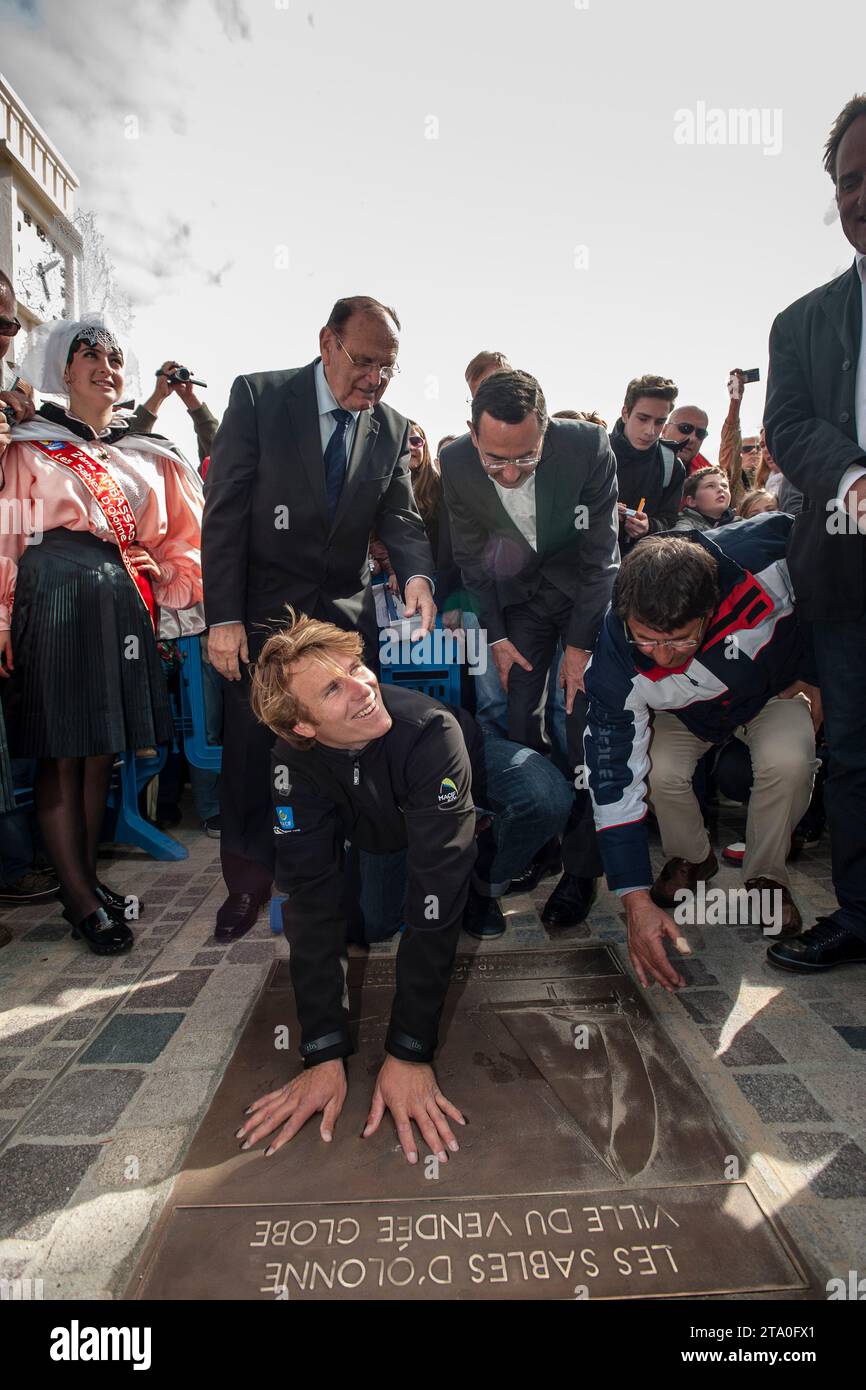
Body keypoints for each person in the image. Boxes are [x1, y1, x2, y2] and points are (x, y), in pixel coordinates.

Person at [236, 611, 572, 1158]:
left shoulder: (429, 730)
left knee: (542, 795)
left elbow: (433, 896)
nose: (364, 689)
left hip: (458, 771)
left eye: (356, 667)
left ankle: (484, 872)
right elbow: (309, 900)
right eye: (333, 688)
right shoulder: (289, 764)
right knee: (368, 924)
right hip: (380, 829)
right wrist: (322, 1052)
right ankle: (448, 849)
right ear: (303, 727)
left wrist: (410, 1051)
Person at [201, 295, 436, 942]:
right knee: (253, 753)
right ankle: (248, 887)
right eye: (364, 362)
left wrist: (416, 575)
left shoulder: (390, 426)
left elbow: (401, 517)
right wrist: (222, 616)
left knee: (347, 750)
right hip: (261, 615)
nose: (376, 379)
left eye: (389, 367)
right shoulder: (259, 396)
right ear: (327, 342)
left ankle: (331, 878)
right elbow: (223, 511)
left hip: (342, 620)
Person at [0, 316, 204, 955]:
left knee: (98, 752)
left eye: (114, 359)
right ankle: (82, 898)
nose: (105, 368)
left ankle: (79, 881)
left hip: (117, 598)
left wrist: (160, 570)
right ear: (63, 371)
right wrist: (2, 618)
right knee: (63, 752)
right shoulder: (30, 446)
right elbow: (8, 534)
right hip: (51, 592)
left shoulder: (141, 450)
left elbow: (180, 537)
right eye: (90, 356)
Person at [584, 516, 822, 988]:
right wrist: (633, 895)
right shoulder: (612, 656)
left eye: (681, 639)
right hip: (686, 714)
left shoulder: (770, 552)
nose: (664, 656)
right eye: (647, 639)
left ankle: (766, 877)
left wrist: (816, 673)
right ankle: (692, 857)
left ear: (710, 609)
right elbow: (613, 774)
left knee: (790, 760)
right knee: (659, 770)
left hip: (770, 692)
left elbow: (830, 591)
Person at [440, 369, 619, 928]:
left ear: (546, 429)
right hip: (520, 607)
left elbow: (601, 558)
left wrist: (581, 647)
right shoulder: (454, 463)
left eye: (527, 457)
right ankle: (538, 837)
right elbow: (471, 558)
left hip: (583, 597)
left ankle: (581, 870)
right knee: (519, 721)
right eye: (497, 459)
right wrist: (494, 634)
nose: (511, 472)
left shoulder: (588, 445)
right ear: (473, 435)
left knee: (582, 725)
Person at [763, 93, 866, 973]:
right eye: (848, 181)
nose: (861, 196)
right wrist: (853, 478)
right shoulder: (799, 323)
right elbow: (789, 424)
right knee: (858, 754)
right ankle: (862, 914)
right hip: (843, 576)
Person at [609, 375, 685, 553]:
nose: (650, 431)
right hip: (587, 565)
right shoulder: (594, 452)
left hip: (641, 566)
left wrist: (649, 526)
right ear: (625, 413)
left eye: (660, 422)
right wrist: (605, 511)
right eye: (643, 418)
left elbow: (670, 520)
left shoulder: (672, 465)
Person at [129, 360, 219, 470]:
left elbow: (219, 454)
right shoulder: (143, 476)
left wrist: (189, 397)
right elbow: (128, 442)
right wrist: (159, 394)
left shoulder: (201, 483)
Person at [672, 465, 737, 532]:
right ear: (692, 501)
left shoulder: (740, 524)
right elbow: (678, 537)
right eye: (710, 486)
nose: (721, 489)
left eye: (724, 486)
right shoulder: (685, 524)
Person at [662, 403, 711, 476]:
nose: (693, 438)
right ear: (664, 430)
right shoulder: (640, 461)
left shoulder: (707, 478)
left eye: (700, 433)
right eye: (685, 428)